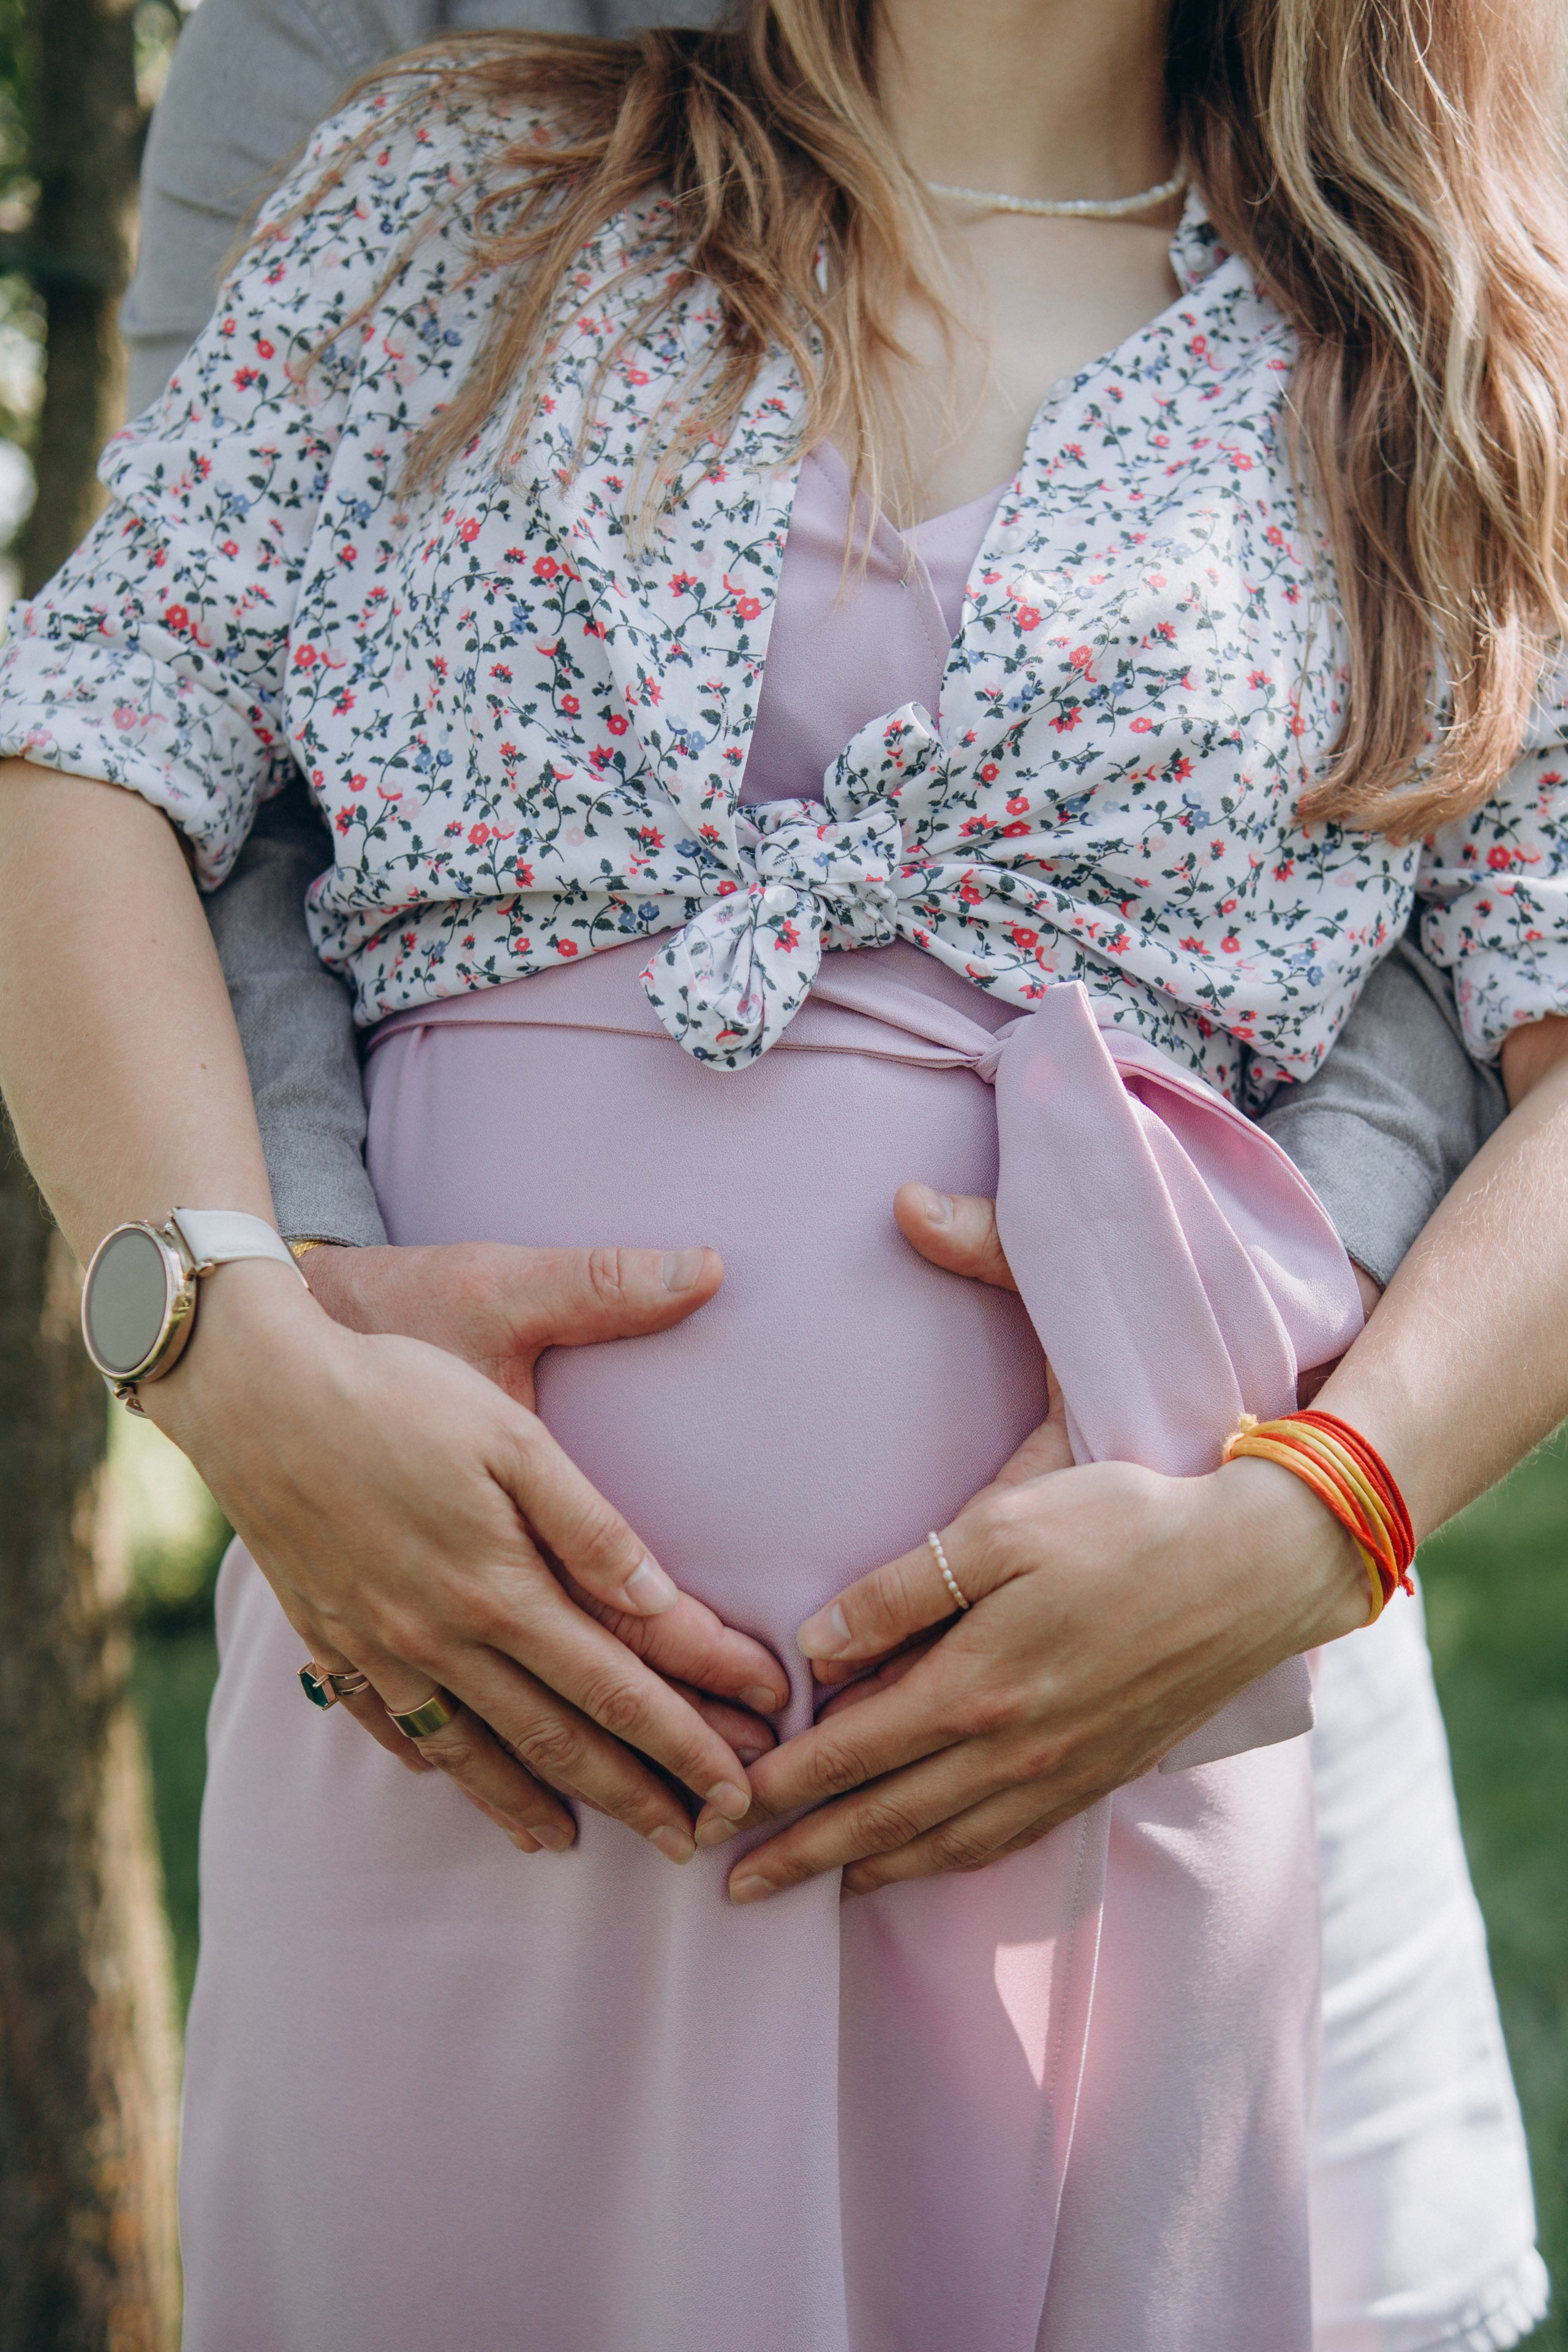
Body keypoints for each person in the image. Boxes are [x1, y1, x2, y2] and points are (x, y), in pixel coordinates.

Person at [1, 1, 1566, 2343]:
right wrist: (233, 1342)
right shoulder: (461, 186)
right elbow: (83, 748)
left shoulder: (1436, 353)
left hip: (1080, 1767)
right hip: (457, 1738)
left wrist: (1310, 1517)